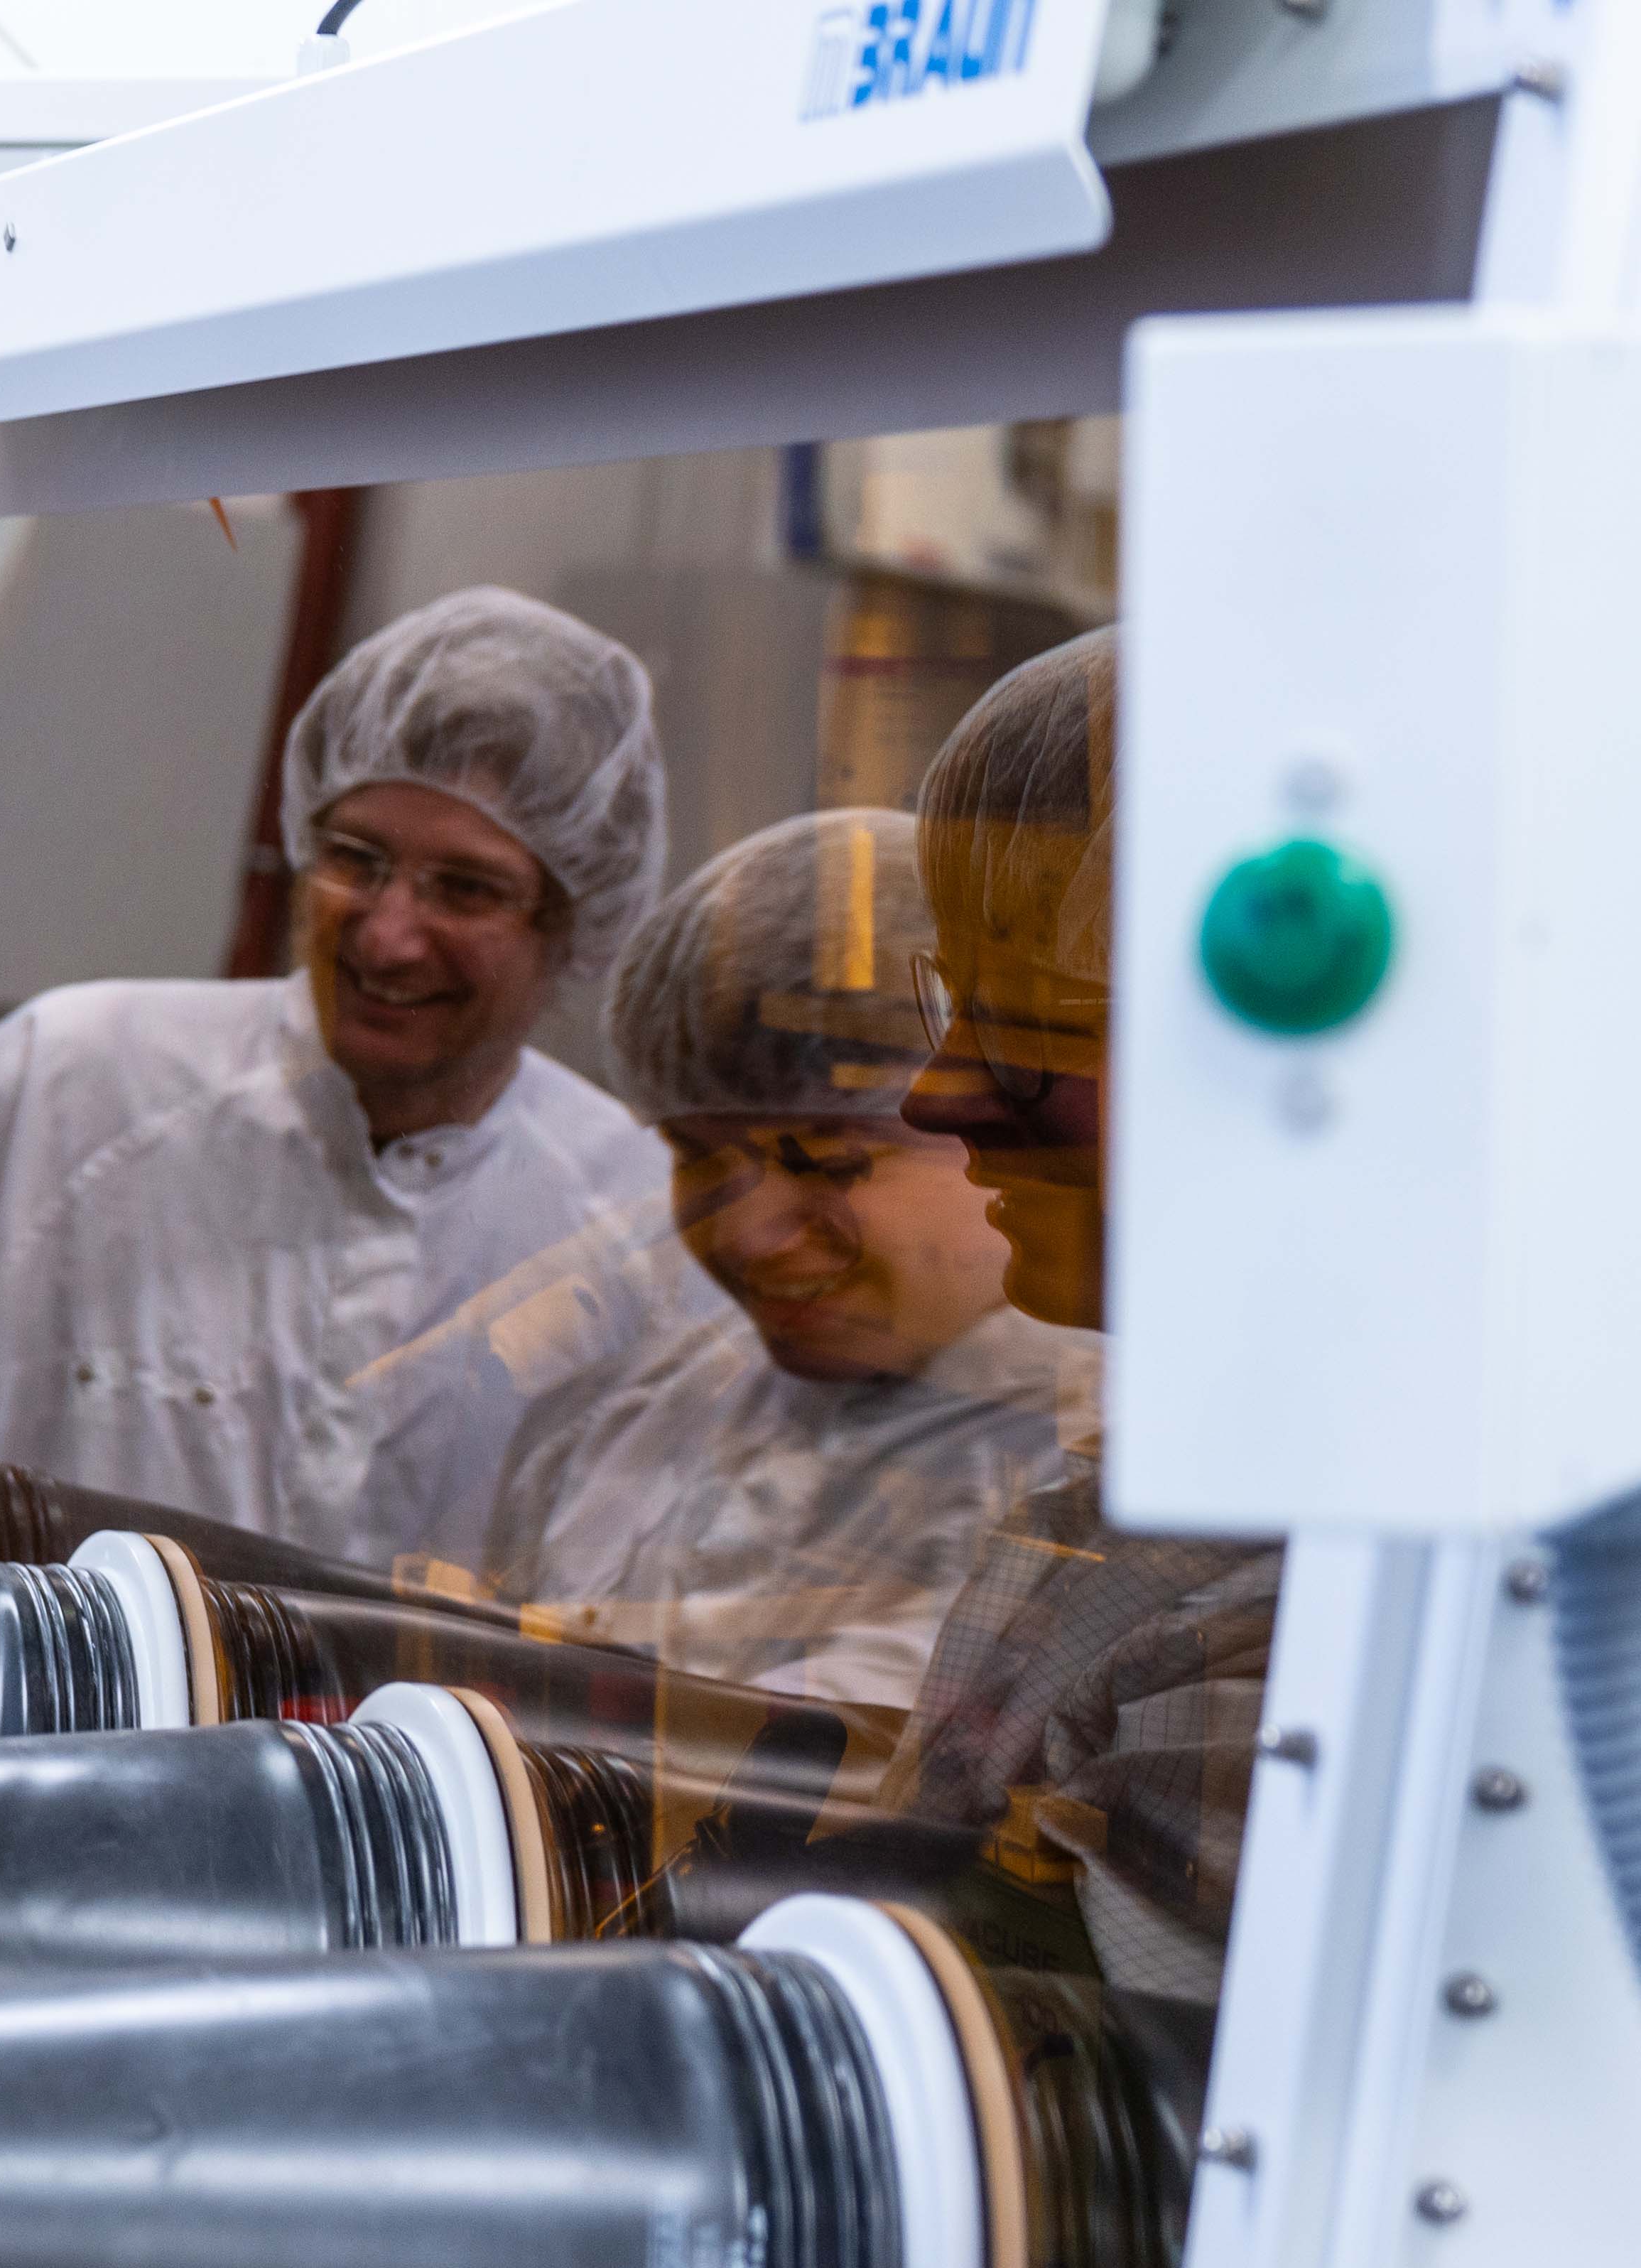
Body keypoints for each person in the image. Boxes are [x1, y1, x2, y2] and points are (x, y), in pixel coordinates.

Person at [0, 583, 676, 1577]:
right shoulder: (60, 1092)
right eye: (355, 860)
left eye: (466, 890)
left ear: (573, 925)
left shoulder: (632, 1225)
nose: (388, 935)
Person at [480, 810, 1091, 1705]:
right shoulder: (619, 1428)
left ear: (998, 1125)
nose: (745, 1234)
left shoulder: (1117, 1476)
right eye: (695, 1155)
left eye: (827, 1159)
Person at [880, 629, 1276, 1999]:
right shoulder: (1176, 1493)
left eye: (1027, 1023)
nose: (936, 1094)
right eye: (957, 1004)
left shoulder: (1295, 1618)